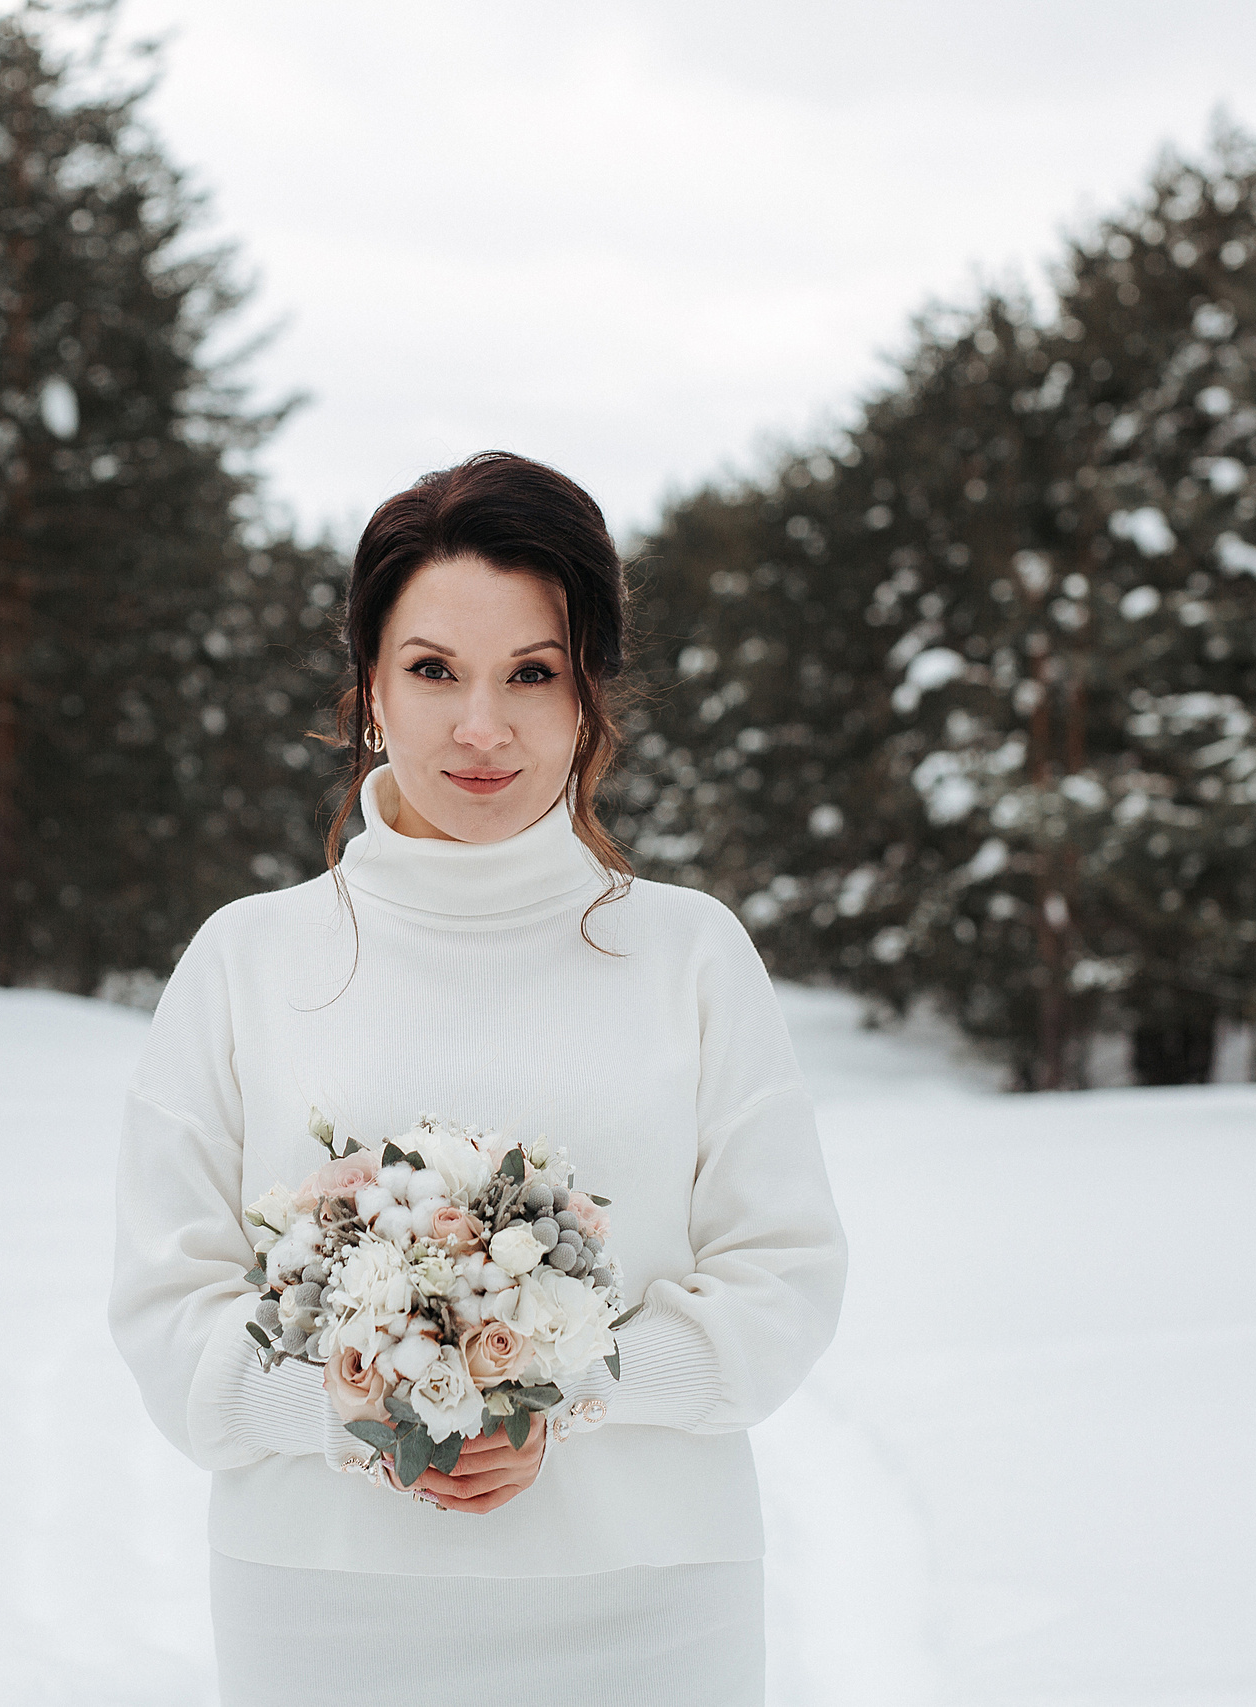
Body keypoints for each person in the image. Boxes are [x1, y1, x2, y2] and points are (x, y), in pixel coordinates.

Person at [107, 451, 848, 1705]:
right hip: (325, 1609)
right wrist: (360, 1407)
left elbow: (784, 1278)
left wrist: (558, 1390)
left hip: (650, 1600)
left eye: (532, 673)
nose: (482, 727)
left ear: (590, 692)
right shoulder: (248, 959)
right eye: (434, 670)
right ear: (369, 689)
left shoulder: (689, 953)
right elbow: (166, 1311)